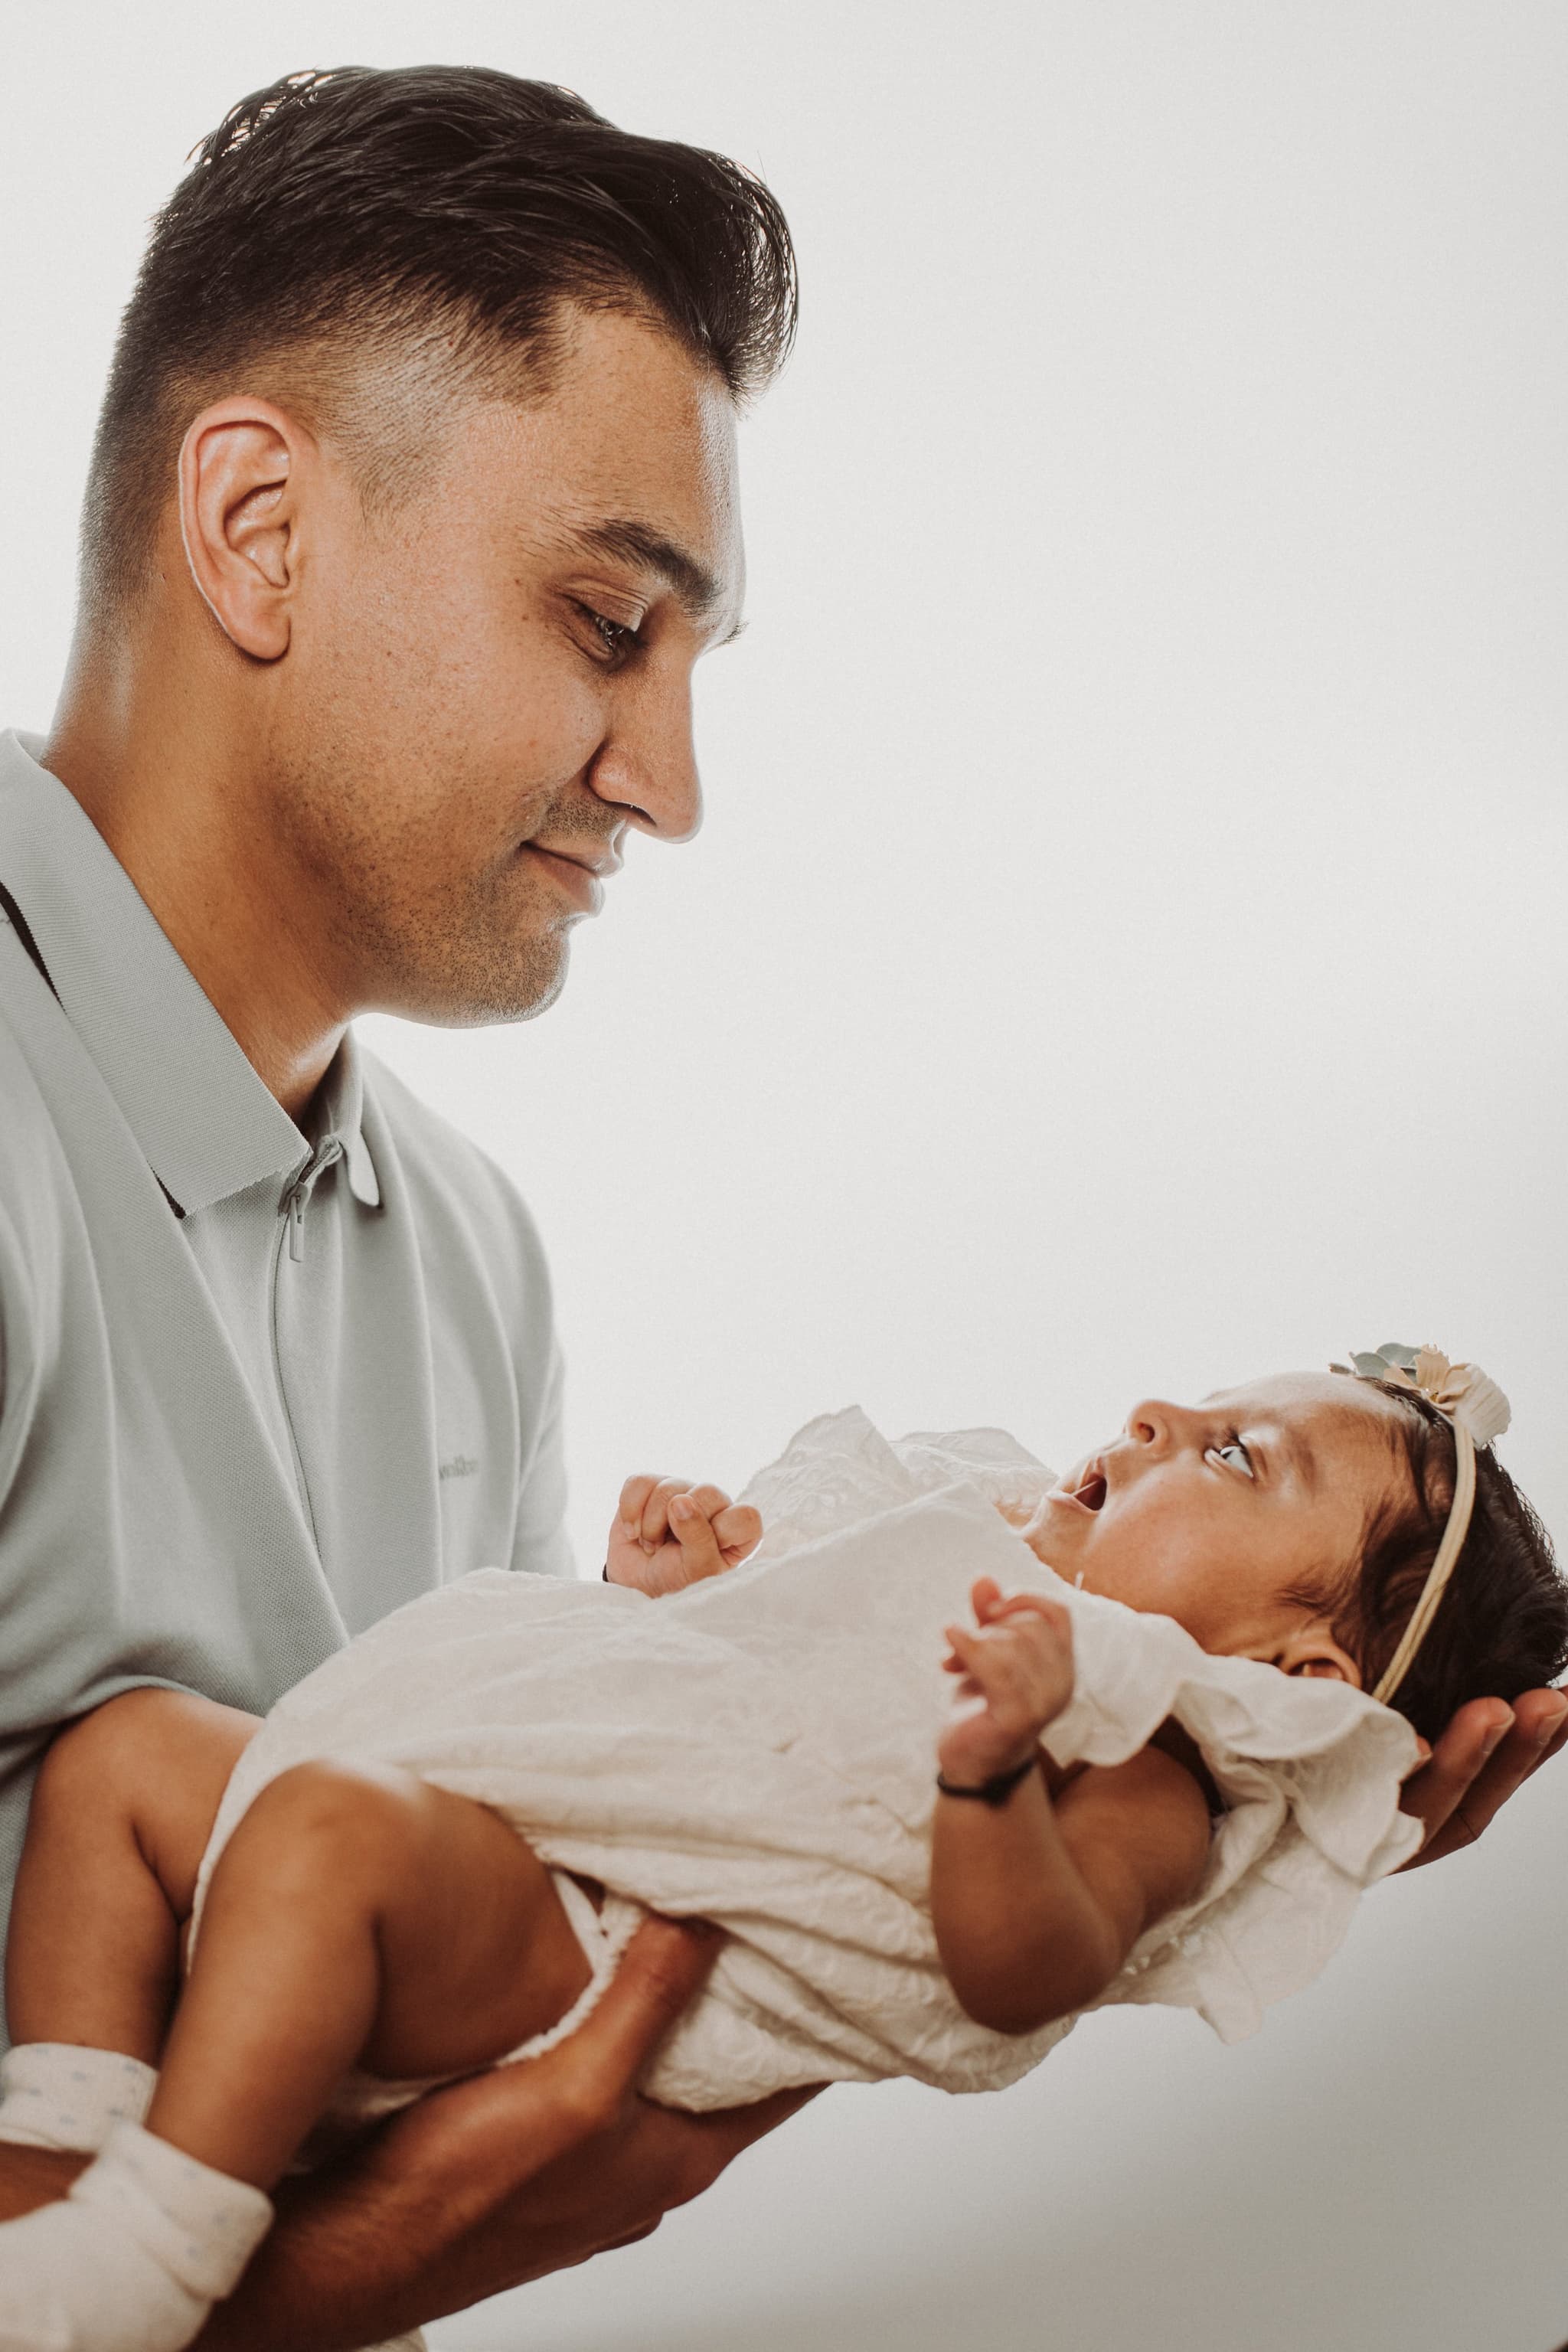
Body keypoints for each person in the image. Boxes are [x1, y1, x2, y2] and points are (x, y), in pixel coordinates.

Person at [0, 56, 1561, 2352]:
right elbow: (421, 2201)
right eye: (608, 622)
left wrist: (1221, 1831)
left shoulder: (469, 1273)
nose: (675, 785)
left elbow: (574, 1945)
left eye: (696, 667)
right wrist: (350, 2278)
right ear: (257, 527)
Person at [0, 1351, 1562, 2348]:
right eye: (1205, 1401)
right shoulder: (963, 1537)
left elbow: (1024, 1975)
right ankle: (67, 2168)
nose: (1157, 1411)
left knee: (325, 1835)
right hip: (505, 1826)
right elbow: (715, 1727)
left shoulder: (1148, 1745)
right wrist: (659, 1601)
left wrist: (993, 1778)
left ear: (1297, 1680)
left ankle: (158, 2232)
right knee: (124, 1751)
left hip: (571, 1937)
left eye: (1231, 1458)